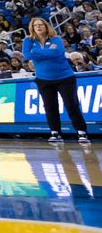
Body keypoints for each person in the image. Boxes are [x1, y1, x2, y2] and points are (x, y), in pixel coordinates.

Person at [23, 17, 90, 145]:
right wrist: (46, 51)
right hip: (43, 79)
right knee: (50, 107)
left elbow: (57, 53)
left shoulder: (56, 39)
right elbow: (27, 55)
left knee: (72, 105)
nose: (38, 27)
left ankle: (81, 132)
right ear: (32, 28)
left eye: (41, 24)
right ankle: (55, 132)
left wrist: (36, 52)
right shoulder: (28, 40)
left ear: (46, 26)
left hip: (64, 77)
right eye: (35, 25)